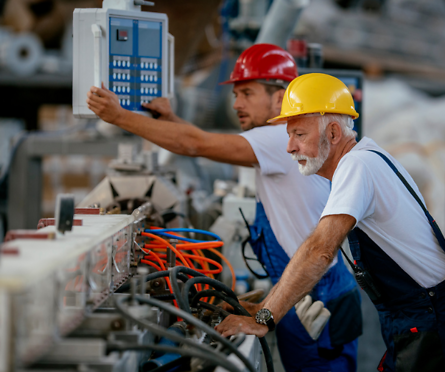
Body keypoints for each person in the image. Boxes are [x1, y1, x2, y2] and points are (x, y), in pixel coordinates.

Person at [86, 46, 361, 371]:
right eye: (235, 94)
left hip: (314, 300)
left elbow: (197, 144)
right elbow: (201, 140)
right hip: (307, 293)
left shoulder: (277, 137)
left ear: (280, 98)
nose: (236, 104)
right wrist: (171, 121)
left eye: (247, 92)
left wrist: (118, 116)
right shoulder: (279, 140)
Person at [216, 73, 445, 371]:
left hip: (435, 320)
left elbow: (319, 249)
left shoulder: (356, 166)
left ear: (333, 133)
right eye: (289, 135)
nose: (289, 147)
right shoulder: (367, 157)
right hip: (426, 316)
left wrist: (264, 319)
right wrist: (262, 306)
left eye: (299, 134)